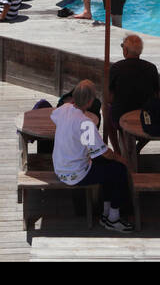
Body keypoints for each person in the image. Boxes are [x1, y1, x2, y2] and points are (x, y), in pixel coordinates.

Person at [51, 79, 133, 232]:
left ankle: (106, 212)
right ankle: (113, 219)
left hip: (61, 168)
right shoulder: (86, 124)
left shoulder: (63, 109)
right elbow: (105, 152)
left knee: (107, 167)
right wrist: (123, 159)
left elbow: (54, 116)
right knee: (119, 169)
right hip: (75, 174)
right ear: (90, 102)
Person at [109, 34, 160, 144]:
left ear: (126, 50)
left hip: (121, 115)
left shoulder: (116, 68)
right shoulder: (151, 68)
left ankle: (117, 152)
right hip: (147, 115)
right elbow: (157, 93)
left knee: (106, 110)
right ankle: (137, 148)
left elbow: (110, 96)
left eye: (122, 46)